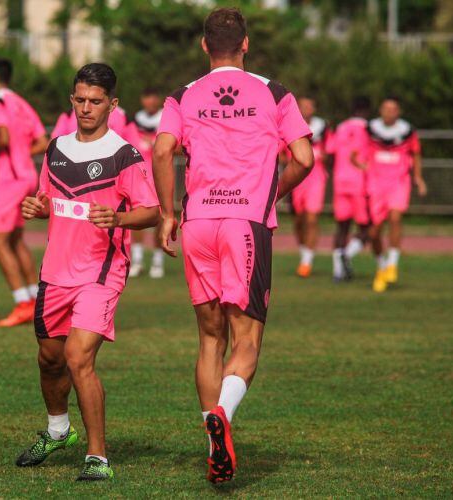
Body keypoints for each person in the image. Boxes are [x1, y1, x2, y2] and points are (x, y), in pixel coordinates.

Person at [153, 8, 313, 483]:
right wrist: (271, 193)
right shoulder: (274, 92)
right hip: (246, 222)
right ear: (246, 44)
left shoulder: (182, 96)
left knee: (209, 338)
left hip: (198, 219)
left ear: (204, 46)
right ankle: (222, 416)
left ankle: (211, 441)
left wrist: (166, 214)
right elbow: (304, 158)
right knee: (247, 341)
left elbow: (162, 150)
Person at [17, 63, 159, 481]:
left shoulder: (124, 154)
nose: (86, 108)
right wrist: (37, 207)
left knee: (79, 358)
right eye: (79, 100)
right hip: (55, 270)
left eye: (95, 101)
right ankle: (59, 431)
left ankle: (98, 458)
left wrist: (117, 220)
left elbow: (150, 212)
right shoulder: (56, 149)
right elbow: (50, 202)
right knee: (49, 359)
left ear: (113, 105)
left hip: (101, 271)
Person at [0, 58, 48, 327]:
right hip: (27, 176)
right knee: (15, 240)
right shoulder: (21, 103)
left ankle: (23, 303)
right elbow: (42, 141)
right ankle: (37, 301)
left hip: (9, 180)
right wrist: (22, 153)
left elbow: (1, 137)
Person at [354, 97, 426, 292]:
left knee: (395, 217)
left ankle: (393, 263)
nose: (389, 112)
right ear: (380, 110)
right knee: (374, 232)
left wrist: (418, 177)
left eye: (393, 109)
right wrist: (361, 163)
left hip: (398, 182)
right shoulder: (370, 129)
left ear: (398, 112)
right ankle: (381, 266)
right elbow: (355, 155)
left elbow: (416, 154)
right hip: (376, 185)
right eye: (386, 108)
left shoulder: (408, 131)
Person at [329, 96, 372, 281]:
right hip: (360, 182)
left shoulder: (340, 127)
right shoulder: (369, 129)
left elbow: (331, 153)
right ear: (367, 110)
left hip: (340, 181)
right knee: (367, 229)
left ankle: (338, 271)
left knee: (342, 228)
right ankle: (346, 255)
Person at [287, 97, 330, 278]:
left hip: (316, 177)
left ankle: (307, 261)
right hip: (297, 177)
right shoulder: (291, 125)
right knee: (299, 220)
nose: (306, 109)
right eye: (302, 106)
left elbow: (330, 151)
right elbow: (282, 151)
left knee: (312, 218)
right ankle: (304, 252)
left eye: (309, 105)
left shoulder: (324, 128)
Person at [129, 88, 167, 279]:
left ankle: (157, 261)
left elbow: (178, 147)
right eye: (146, 96)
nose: (150, 101)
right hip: (138, 179)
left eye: (153, 96)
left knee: (160, 219)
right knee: (136, 218)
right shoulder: (134, 121)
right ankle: (136, 260)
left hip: (160, 177)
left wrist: (155, 145)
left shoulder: (166, 120)